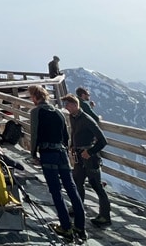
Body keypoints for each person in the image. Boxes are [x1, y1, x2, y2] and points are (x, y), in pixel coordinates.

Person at [28, 85, 86, 242]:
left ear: (35, 97)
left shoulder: (36, 112)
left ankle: (66, 227)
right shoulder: (59, 112)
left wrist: (33, 154)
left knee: (56, 191)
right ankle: (80, 227)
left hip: (48, 154)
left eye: (31, 97)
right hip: (61, 153)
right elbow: (66, 135)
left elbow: (34, 134)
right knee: (72, 189)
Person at [62, 93, 111, 229]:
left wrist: (89, 152)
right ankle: (78, 207)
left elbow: (103, 141)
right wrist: (72, 146)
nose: (66, 107)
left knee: (96, 186)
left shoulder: (87, 119)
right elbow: (73, 132)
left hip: (90, 158)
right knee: (77, 182)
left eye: (68, 105)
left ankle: (105, 216)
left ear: (75, 105)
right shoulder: (73, 117)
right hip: (79, 156)